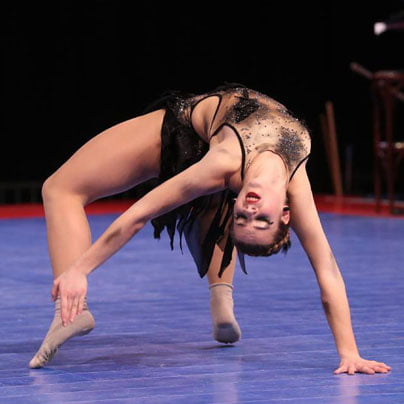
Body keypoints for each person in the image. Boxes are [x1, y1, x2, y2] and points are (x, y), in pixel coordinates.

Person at [29, 84, 391, 376]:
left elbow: (138, 214)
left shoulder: (223, 164)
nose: (250, 211)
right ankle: (221, 301)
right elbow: (328, 271)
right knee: (213, 194)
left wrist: (78, 270)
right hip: (213, 139)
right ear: (284, 215)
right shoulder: (295, 187)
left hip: (183, 128)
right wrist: (349, 351)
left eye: (242, 219)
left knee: (60, 188)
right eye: (260, 220)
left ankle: (70, 310)